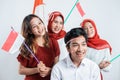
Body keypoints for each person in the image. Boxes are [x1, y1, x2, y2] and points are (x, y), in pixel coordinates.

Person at [17, 14, 60, 80]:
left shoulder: (53, 42)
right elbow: (21, 70)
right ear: (29, 31)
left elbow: (56, 65)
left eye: (40, 23)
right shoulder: (27, 46)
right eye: (34, 26)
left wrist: (50, 71)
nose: (39, 27)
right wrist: (37, 70)